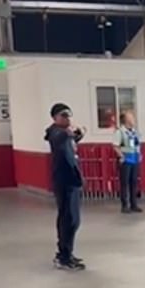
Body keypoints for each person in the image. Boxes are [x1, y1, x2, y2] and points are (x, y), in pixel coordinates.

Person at [44, 104, 86, 271]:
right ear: (55, 117)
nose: (67, 119)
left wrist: (78, 133)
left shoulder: (66, 134)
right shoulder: (56, 132)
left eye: (69, 115)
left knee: (74, 220)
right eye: (63, 116)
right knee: (68, 219)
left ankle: (67, 252)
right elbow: (60, 137)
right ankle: (63, 256)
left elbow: (74, 137)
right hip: (64, 182)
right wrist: (70, 133)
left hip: (72, 181)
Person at [113, 110, 143, 214]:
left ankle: (134, 204)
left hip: (134, 159)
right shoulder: (120, 132)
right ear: (125, 120)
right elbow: (115, 146)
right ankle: (124, 205)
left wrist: (139, 154)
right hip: (125, 159)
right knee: (124, 183)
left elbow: (137, 144)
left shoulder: (134, 132)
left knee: (134, 182)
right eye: (131, 117)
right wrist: (121, 156)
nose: (133, 119)